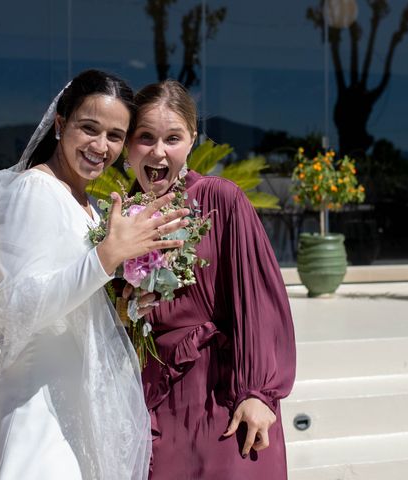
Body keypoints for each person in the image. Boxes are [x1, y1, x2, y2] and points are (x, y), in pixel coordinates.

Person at [0, 70, 190, 480]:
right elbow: (20, 307)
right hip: (42, 405)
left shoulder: (92, 207)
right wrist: (107, 258)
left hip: (84, 403)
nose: (100, 146)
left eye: (115, 136)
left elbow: (78, 298)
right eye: (89, 128)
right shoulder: (34, 190)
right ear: (59, 124)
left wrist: (123, 307)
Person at [123, 80, 296, 479]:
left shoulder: (222, 199)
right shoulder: (118, 219)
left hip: (220, 397)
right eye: (145, 137)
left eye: (172, 137)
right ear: (129, 144)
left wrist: (258, 392)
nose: (158, 151)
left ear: (192, 140)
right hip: (151, 399)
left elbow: (259, 302)